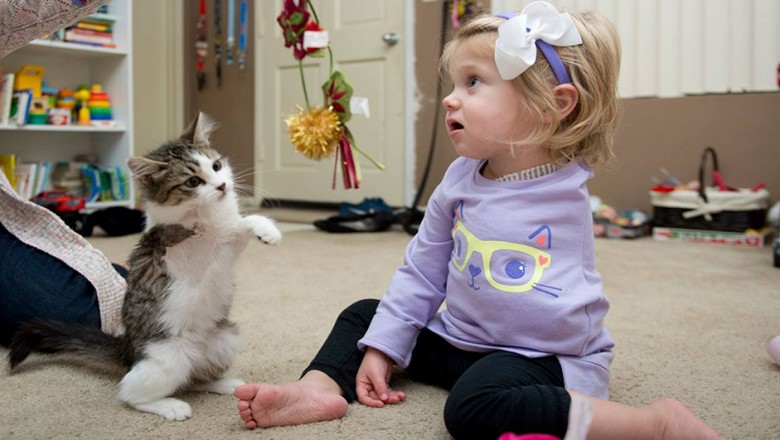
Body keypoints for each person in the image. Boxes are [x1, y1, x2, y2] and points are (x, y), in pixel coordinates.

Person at [234, 2, 724, 439]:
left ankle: (654, 423)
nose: (450, 98)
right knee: (367, 316)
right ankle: (316, 389)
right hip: (462, 340)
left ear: (552, 106)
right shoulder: (459, 178)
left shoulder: (564, 184)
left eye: (474, 83)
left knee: (473, 408)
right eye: (453, 83)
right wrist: (386, 345)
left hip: (540, 359)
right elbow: (423, 269)